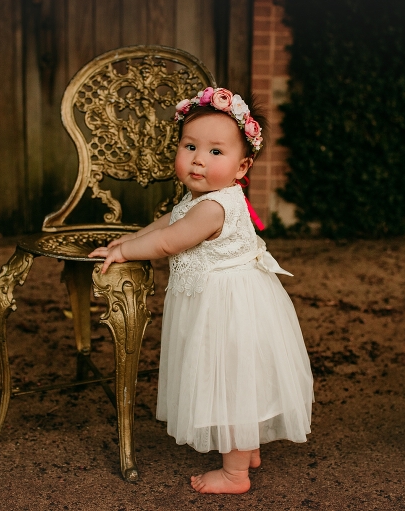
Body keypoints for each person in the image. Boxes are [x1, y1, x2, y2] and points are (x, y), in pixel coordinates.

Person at [88, 87, 313, 494]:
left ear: (242, 167)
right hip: (223, 302)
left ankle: (235, 474)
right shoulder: (200, 198)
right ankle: (246, 445)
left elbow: (167, 243)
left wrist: (127, 254)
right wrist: (125, 242)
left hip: (227, 308)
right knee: (240, 380)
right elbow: (164, 224)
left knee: (227, 382)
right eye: (190, 146)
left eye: (215, 152)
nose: (197, 159)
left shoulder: (212, 207)